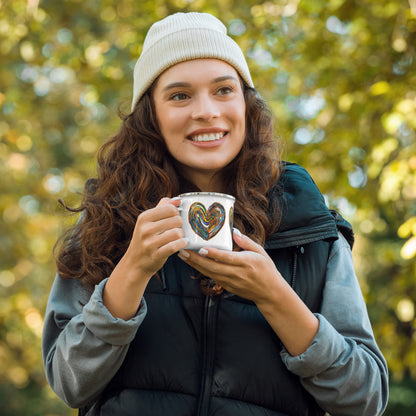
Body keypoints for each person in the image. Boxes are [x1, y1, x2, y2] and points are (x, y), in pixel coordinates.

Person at [42, 12, 389, 416]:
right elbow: (69, 384)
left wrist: (273, 295)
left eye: (224, 90)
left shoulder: (309, 229)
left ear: (247, 104)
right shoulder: (107, 221)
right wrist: (132, 270)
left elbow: (365, 399)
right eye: (179, 95)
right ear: (150, 115)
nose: (206, 111)